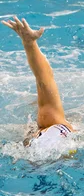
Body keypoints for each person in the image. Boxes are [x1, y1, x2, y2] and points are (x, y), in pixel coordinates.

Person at [2, 17, 74, 148]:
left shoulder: (48, 120)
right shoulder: (52, 120)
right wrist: (30, 43)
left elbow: (44, 80)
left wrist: (28, 43)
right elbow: (45, 80)